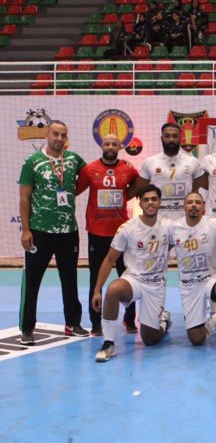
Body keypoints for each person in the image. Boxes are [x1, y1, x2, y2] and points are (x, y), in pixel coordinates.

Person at [18, 121, 87, 345]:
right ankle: (27, 327)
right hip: (40, 231)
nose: (59, 138)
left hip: (68, 231)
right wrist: (26, 230)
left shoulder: (74, 159)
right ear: (46, 134)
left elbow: (92, 175)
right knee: (33, 280)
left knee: (70, 278)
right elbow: (25, 198)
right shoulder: (33, 162)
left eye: (63, 135)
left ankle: (73, 323)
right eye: (55, 133)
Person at [92, 185, 173, 362]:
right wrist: (97, 290)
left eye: (154, 199)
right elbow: (109, 260)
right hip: (134, 280)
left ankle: (164, 321)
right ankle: (108, 343)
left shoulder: (169, 227)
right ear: (140, 203)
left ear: (159, 202)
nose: (150, 203)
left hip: (156, 285)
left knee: (149, 339)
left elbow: (179, 243)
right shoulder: (127, 228)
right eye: (146, 199)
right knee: (113, 290)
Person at [76, 133, 139, 336]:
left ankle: (129, 320)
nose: (110, 146)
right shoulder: (89, 170)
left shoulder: (128, 169)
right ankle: (95, 322)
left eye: (114, 144)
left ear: (120, 147)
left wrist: (123, 197)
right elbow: (74, 191)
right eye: (107, 143)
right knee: (96, 278)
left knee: (127, 276)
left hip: (121, 234)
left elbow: (138, 185)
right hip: (96, 232)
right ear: (101, 146)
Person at [169, 192, 216, 346]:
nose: (194, 205)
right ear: (184, 206)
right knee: (196, 339)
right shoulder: (173, 228)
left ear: (203, 206)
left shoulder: (215, 224)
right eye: (190, 202)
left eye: (198, 202)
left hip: (210, 279)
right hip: (189, 287)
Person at [134, 122, 205, 221]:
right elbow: (139, 189)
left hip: (185, 220)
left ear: (180, 138)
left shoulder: (192, 161)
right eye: (167, 136)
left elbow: (208, 185)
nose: (171, 139)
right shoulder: (150, 162)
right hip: (158, 220)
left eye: (175, 136)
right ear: (161, 138)